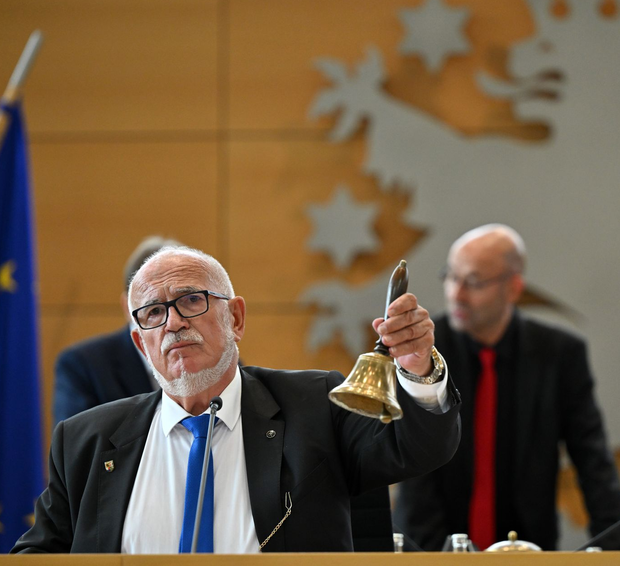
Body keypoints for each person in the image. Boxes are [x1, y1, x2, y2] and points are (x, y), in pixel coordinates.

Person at [14, 246, 460, 553]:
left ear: (236, 317)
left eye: (191, 300)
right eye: (153, 313)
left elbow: (418, 447)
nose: (172, 324)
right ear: (139, 341)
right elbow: (39, 555)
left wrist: (418, 366)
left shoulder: (315, 405)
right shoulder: (86, 441)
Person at [393, 224, 620, 551]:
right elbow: (414, 463)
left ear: (514, 288)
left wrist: (614, 551)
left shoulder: (559, 353)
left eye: (473, 282)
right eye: (451, 276)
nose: (455, 293)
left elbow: (593, 461)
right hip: (430, 547)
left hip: (527, 547)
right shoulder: (422, 352)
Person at [52, 236, 178, 426]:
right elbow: (77, 451)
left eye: (189, 301)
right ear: (128, 308)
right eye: (155, 309)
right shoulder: (83, 366)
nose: (174, 320)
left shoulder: (218, 360)